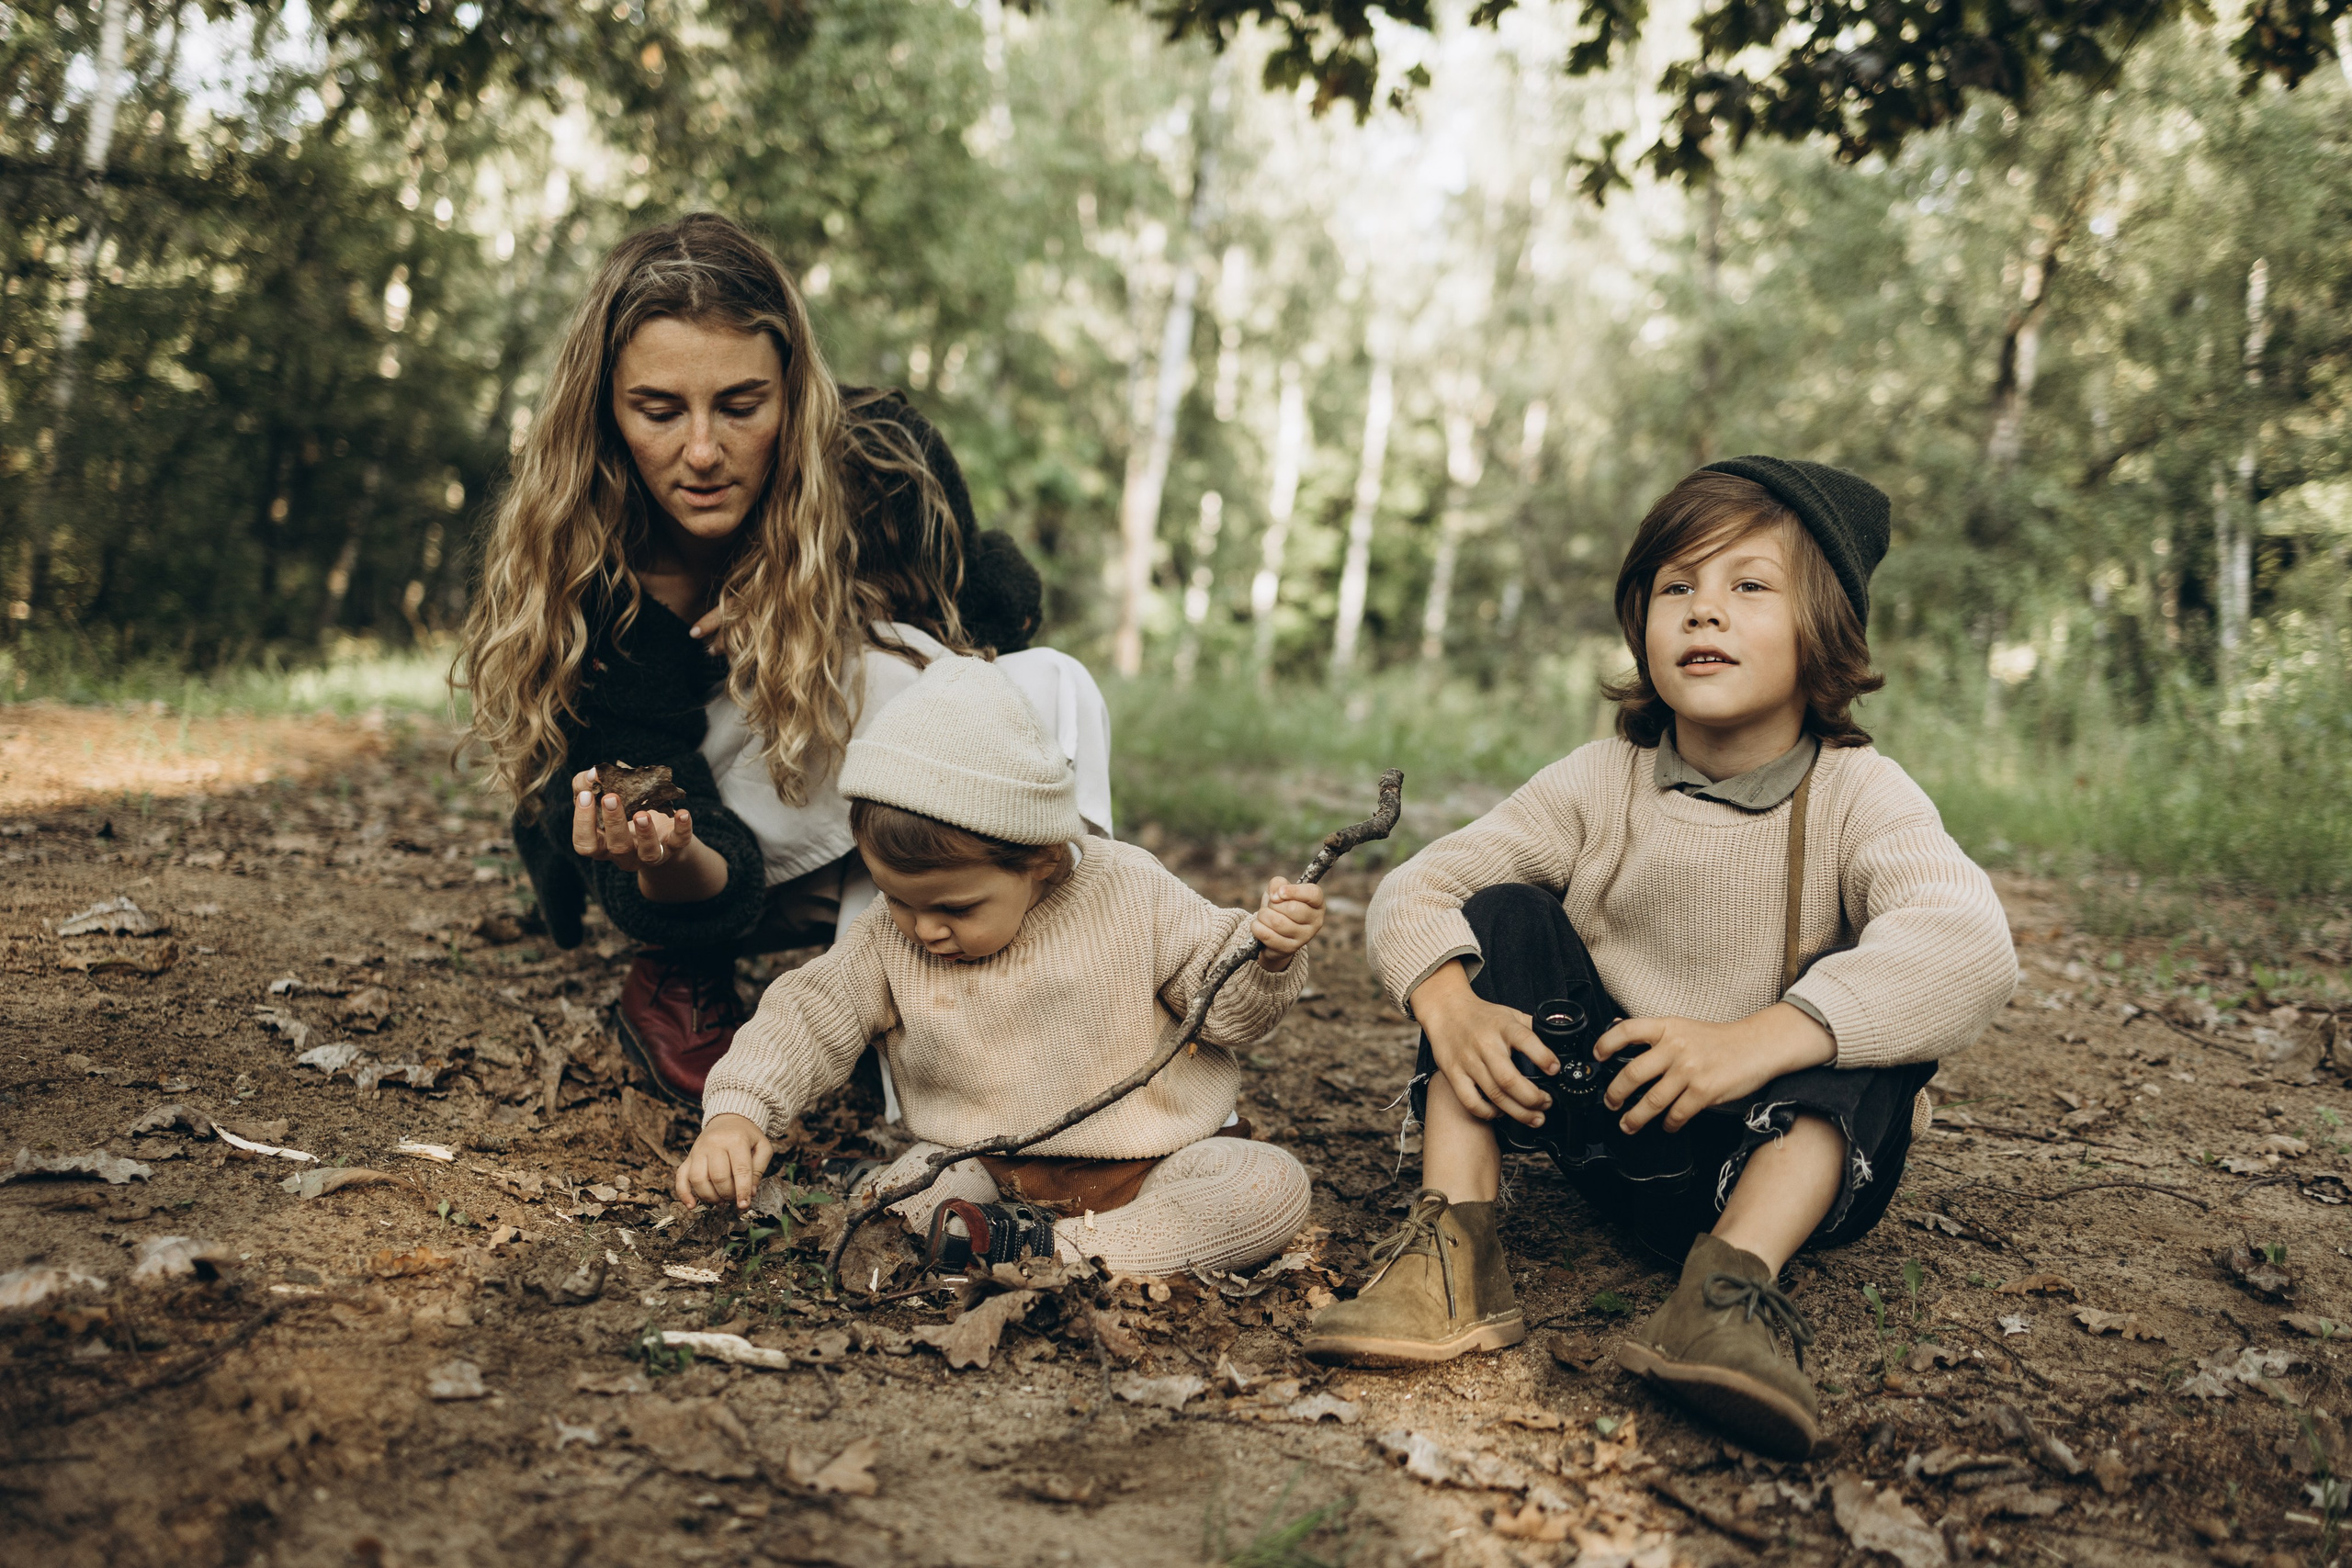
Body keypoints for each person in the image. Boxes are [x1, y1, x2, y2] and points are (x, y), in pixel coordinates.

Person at [1299, 458, 2017, 1458]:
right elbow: (1418, 886)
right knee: (1499, 913)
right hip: (1614, 1120)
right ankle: (1453, 1250)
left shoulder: (1862, 794)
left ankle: (1727, 1292)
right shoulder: (1601, 780)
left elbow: (1970, 941)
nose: (1703, 611)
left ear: (1824, 628)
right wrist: (1449, 1004)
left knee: (1879, 1008)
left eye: (1749, 585)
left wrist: (1763, 1039)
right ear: (1641, 622)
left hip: (1771, 1157)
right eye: (1676, 585)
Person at [461, 213, 1106, 1107]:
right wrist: (660, 853)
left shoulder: (880, 457)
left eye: (740, 406)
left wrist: (826, 593)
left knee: (1050, 683)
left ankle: (1079, 1000)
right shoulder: (590, 571)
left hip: (864, 827)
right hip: (709, 870)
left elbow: (998, 613)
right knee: (892, 680)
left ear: (794, 394)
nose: (701, 452)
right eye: (658, 411)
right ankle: (711, 980)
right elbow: (673, 846)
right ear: (606, 408)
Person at [673, 656, 1327, 1278]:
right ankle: (993, 1236)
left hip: (1156, 1162)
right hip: (981, 1165)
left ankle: (1051, 1250)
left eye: (955, 907)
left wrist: (1267, 958)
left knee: (1266, 1188)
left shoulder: (1132, 893)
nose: (924, 928)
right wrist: (741, 1110)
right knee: (894, 1207)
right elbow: (808, 1015)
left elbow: (1226, 1011)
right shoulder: (888, 938)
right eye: (897, 898)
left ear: (1041, 857)